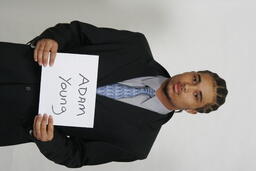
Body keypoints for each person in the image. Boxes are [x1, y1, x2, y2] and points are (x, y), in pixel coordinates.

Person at [0, 21, 228, 168]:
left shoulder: (137, 144)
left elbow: (77, 155)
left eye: (196, 96)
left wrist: (50, 141)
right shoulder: (135, 46)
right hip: (13, 63)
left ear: (191, 110)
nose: (187, 86)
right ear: (191, 72)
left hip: (11, 120)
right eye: (195, 78)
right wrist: (54, 39)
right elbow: (77, 32)